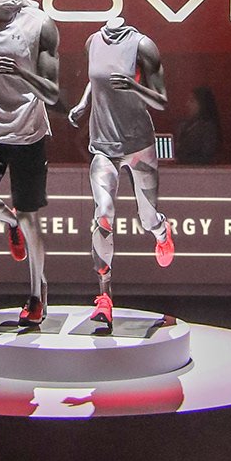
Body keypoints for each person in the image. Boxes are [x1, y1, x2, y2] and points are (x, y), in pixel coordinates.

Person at [68, 17, 175, 331]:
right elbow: (97, 79)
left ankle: (162, 231)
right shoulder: (93, 42)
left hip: (139, 144)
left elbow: (161, 100)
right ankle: (104, 297)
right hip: (104, 145)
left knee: (147, 218)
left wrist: (134, 86)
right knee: (103, 215)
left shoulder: (143, 46)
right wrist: (83, 103)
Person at [0, 0, 60, 327]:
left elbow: (51, 92)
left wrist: (21, 73)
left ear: (18, 10)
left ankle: (36, 296)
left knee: (31, 218)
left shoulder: (41, 25)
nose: (0, 15)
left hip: (28, 133)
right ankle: (10, 222)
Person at [174, 87, 221, 166]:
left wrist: (181, 160)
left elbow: (206, 157)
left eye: (192, 101)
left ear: (202, 104)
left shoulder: (208, 128)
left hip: (198, 171)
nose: (187, 104)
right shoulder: (185, 125)